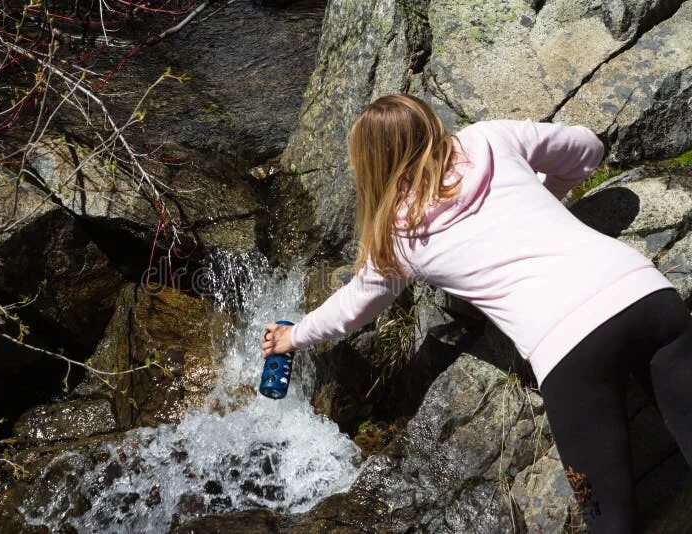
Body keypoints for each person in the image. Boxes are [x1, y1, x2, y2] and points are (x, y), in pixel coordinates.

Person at [261, 93, 692, 532]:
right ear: (430, 123)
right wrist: (545, 200)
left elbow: (353, 309)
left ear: (370, 166)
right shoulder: (490, 138)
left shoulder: (398, 236)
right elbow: (587, 149)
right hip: (647, 295)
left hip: (570, 350)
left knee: (609, 520)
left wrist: (292, 336)